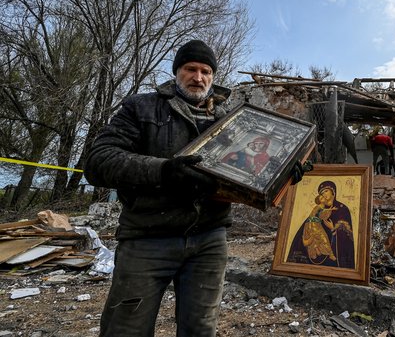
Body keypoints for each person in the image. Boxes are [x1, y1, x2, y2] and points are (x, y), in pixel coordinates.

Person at [85, 39, 305, 336]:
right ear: (177, 71)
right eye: (190, 69)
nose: (198, 77)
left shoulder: (235, 121)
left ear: (213, 76)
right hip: (147, 238)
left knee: (200, 328)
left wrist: (284, 170)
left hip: (209, 240)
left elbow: (252, 174)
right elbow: (98, 161)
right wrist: (164, 170)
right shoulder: (142, 107)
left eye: (205, 71)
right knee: (126, 328)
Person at [286, 180, 355, 268]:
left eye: (326, 191)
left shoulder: (342, 209)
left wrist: (333, 228)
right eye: (321, 194)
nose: (324, 194)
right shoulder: (318, 209)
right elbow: (306, 227)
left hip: (335, 258)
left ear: (333, 191)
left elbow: (348, 236)